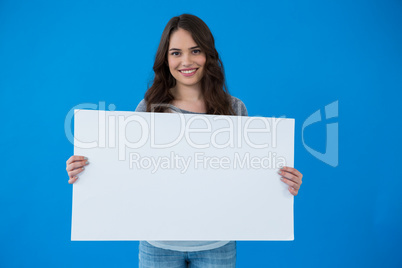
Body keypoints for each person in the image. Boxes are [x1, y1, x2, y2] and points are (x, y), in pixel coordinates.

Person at [66, 14, 303, 268]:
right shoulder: (149, 109)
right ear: (165, 59)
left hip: (217, 245)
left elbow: (250, 173)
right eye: (176, 53)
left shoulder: (234, 109)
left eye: (195, 51)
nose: (186, 61)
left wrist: (281, 181)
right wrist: (88, 169)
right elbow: (128, 168)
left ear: (208, 55)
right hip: (158, 245)